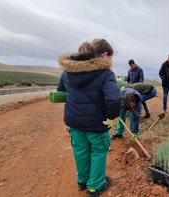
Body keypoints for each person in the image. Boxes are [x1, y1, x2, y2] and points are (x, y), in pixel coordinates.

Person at [57, 39, 122, 197]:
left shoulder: (67, 71)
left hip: (74, 123)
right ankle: (94, 186)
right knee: (98, 151)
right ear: (101, 55)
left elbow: (61, 91)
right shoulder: (105, 73)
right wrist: (110, 117)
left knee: (80, 151)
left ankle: (82, 181)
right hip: (96, 124)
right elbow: (114, 99)